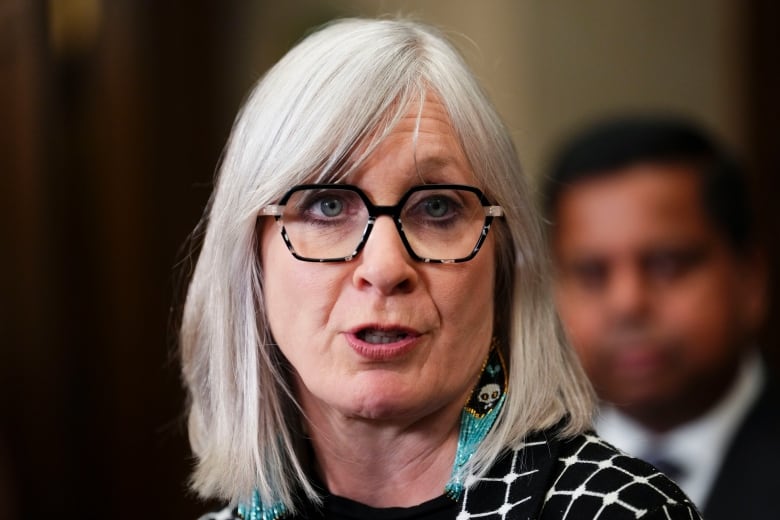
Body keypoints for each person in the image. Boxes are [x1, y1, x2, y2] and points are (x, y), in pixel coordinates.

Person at [179, 19, 701, 520]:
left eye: (436, 208)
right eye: (327, 206)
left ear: (504, 262)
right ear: (250, 259)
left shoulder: (624, 512)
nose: (384, 268)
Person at [542, 116, 780, 519]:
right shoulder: (518, 476)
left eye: (667, 265)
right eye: (592, 273)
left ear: (750, 279)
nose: (627, 304)